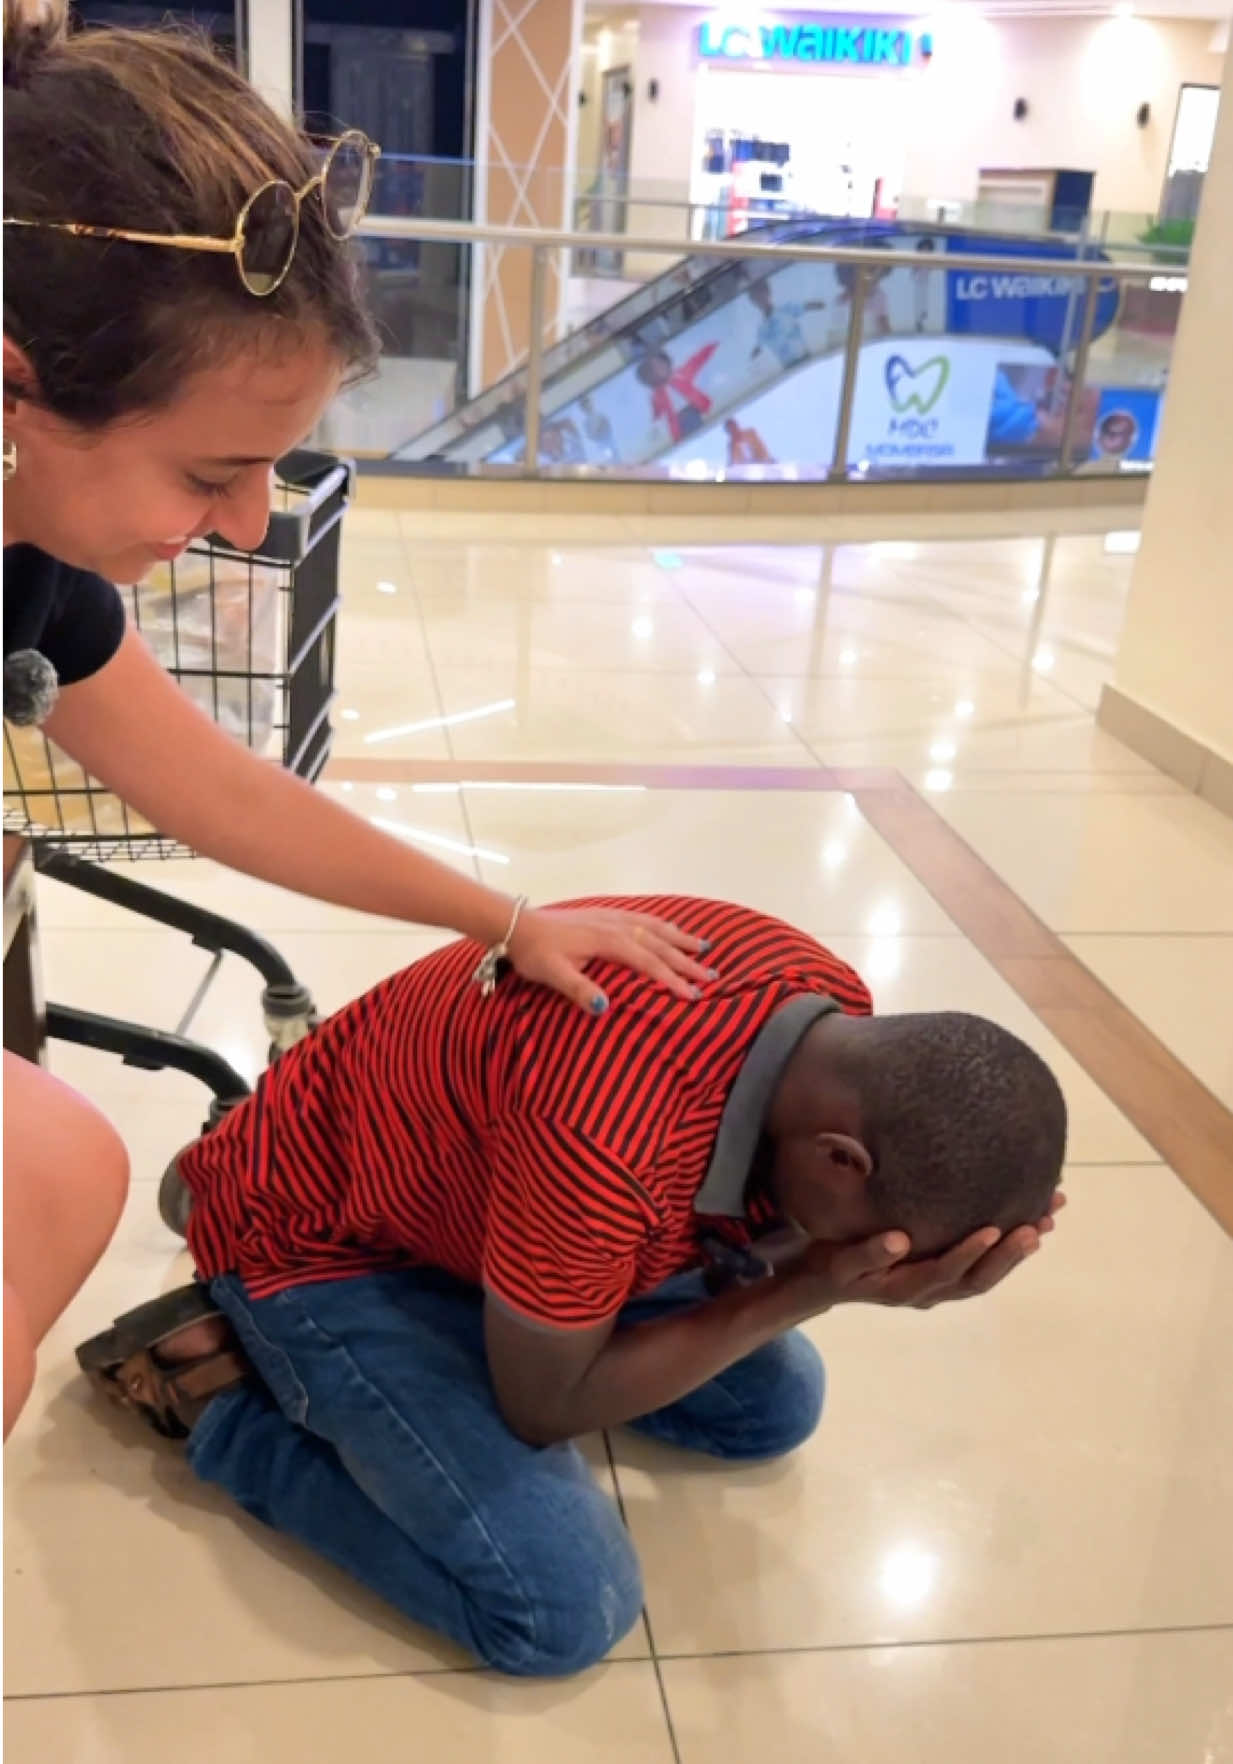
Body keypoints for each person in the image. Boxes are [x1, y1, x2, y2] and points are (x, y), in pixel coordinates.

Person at [0, 8, 711, 1439]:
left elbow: (217, 788)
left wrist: (505, 918)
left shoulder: (37, 567)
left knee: (62, 1167)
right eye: (210, 470)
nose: (245, 523)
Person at [76, 894, 1067, 1679]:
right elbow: (543, 1408)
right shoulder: (603, 1139)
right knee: (558, 1610)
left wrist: (815, 1266)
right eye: (884, 1244)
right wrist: (814, 1285)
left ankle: (507, 1312)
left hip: (478, 1197)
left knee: (773, 1406)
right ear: (842, 1158)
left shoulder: (818, 992)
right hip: (322, 1239)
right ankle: (219, 1396)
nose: (879, 1262)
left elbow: (737, 1204)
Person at [747, 276, 826, 371]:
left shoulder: (786, 309)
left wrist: (822, 304)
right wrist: (750, 359)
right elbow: (758, 347)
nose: (760, 299)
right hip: (789, 369)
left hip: (806, 360)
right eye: (756, 297)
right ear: (753, 302)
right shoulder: (762, 329)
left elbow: (807, 306)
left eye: (761, 293)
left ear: (768, 292)